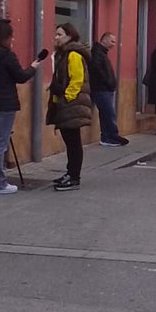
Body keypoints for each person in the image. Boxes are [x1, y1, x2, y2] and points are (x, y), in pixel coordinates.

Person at [0, 19, 42, 195]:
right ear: (4, 37)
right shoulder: (7, 56)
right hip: (5, 104)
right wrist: (33, 67)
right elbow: (20, 76)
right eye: (10, 36)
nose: (12, 39)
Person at [47, 23, 92, 191]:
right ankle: (70, 173)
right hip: (66, 103)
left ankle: (74, 177)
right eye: (56, 34)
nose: (56, 37)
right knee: (70, 141)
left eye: (60, 34)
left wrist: (67, 97)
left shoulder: (73, 55)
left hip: (72, 104)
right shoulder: (62, 54)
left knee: (73, 142)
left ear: (69, 36)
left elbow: (77, 80)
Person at [90, 31, 128, 147]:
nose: (113, 44)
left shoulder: (102, 53)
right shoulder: (97, 53)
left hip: (104, 88)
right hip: (101, 89)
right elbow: (97, 69)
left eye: (115, 42)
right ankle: (110, 137)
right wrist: (108, 81)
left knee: (107, 113)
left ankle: (109, 136)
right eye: (112, 41)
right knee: (108, 113)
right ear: (104, 39)